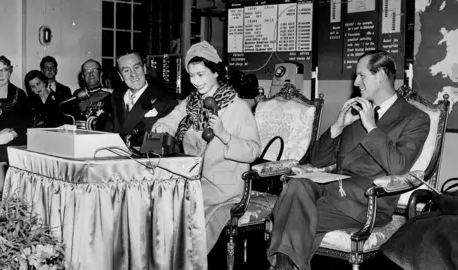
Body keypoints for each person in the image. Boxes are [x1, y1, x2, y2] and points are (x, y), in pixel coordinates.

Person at [268, 50, 431, 270]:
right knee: (297, 185)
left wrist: (371, 126)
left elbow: (398, 166)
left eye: (362, 76)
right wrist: (338, 126)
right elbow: (317, 160)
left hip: (367, 201)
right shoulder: (357, 110)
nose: (356, 82)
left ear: (381, 76)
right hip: (333, 187)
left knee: (288, 215)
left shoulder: (415, 118)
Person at [152, 41, 261, 252]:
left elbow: (253, 151)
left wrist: (224, 135)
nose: (195, 81)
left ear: (216, 72)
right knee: (159, 203)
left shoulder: (237, 106)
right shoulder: (192, 102)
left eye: (201, 75)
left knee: (176, 212)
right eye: (191, 76)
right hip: (196, 180)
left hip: (224, 187)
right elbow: (173, 118)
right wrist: (162, 127)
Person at [0, 56, 33, 199]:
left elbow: (27, 121)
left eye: (5, 70)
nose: (1, 74)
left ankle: (2, 204)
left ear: (10, 72)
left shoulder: (20, 95)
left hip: (12, 142)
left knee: (2, 159)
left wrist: (10, 135)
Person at [112, 51, 178, 147]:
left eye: (137, 67)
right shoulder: (116, 97)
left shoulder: (166, 101)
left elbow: (167, 144)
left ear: (144, 69)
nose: (133, 74)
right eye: (126, 70)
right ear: (121, 76)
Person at [62, 59, 113, 131]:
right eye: (86, 71)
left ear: (101, 73)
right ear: (83, 76)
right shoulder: (76, 96)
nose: (91, 74)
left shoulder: (110, 95)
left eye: (94, 70)